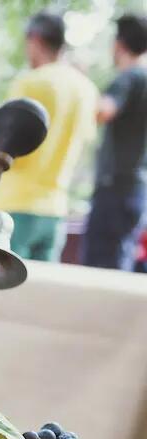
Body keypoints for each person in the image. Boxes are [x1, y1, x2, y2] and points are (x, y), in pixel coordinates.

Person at [0, 13, 97, 263]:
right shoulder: (86, 89)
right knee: (40, 295)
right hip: (55, 210)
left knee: (3, 295)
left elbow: (3, 146)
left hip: (15, 205)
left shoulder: (30, 82)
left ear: (35, 39)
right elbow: (83, 142)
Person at [82, 14, 147, 270]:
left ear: (119, 44)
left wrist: (83, 85)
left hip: (114, 190)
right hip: (138, 190)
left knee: (100, 269)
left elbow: (103, 111)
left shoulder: (128, 78)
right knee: (122, 262)